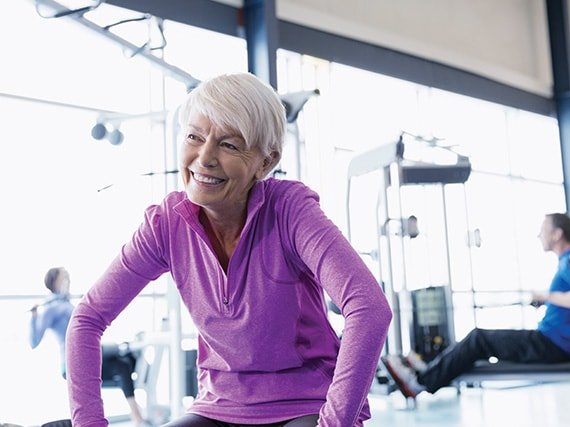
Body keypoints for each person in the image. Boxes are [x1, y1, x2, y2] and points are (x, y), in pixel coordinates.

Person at [65, 72, 392, 427]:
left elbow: (369, 307)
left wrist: (333, 422)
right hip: (217, 406)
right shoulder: (165, 224)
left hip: (305, 403)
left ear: (265, 162)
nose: (204, 158)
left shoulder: (290, 210)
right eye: (194, 136)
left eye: (230, 145)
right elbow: (87, 319)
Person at [382, 212, 570, 398]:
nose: (539, 235)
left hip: (552, 344)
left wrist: (547, 295)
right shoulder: (566, 261)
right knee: (477, 341)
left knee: (479, 339)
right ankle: (427, 368)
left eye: (543, 230)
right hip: (550, 341)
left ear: (557, 234)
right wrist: (546, 299)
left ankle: (420, 383)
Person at [30, 267, 149, 426]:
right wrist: (34, 318)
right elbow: (34, 342)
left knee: (126, 362)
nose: (69, 280)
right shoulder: (51, 309)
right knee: (122, 362)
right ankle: (137, 417)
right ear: (55, 282)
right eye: (65, 277)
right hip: (73, 362)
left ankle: (137, 415)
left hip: (87, 355)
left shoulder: (66, 303)